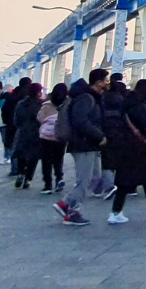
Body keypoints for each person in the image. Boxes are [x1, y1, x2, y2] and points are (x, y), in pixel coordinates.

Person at [105, 79, 146, 224]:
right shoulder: (139, 107)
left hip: (125, 146)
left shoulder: (127, 103)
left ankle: (117, 212)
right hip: (137, 148)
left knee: (126, 180)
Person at [55, 69, 110, 226]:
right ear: (99, 82)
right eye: (106, 80)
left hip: (89, 144)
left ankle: (68, 205)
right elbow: (79, 121)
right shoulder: (86, 98)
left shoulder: (92, 97)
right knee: (84, 180)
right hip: (83, 144)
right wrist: (99, 136)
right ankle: (70, 208)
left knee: (95, 177)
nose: (108, 83)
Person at [37, 84, 68, 194]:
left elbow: (40, 118)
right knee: (58, 159)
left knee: (46, 161)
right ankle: (59, 178)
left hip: (45, 137)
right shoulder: (67, 104)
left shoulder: (46, 105)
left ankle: (47, 185)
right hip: (60, 137)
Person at [12, 83, 44, 190]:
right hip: (37, 133)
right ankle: (28, 179)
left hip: (23, 132)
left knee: (22, 154)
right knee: (33, 157)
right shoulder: (42, 104)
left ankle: (21, 173)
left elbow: (16, 120)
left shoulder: (21, 103)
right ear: (38, 92)